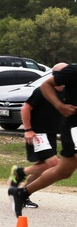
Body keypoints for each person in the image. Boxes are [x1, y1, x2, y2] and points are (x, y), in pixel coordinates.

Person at [8, 63, 77, 216]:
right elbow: (25, 108)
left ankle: (22, 188)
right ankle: (20, 175)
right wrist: (28, 130)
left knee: (61, 170)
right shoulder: (42, 91)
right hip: (40, 132)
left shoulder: (64, 92)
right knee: (52, 163)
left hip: (52, 133)